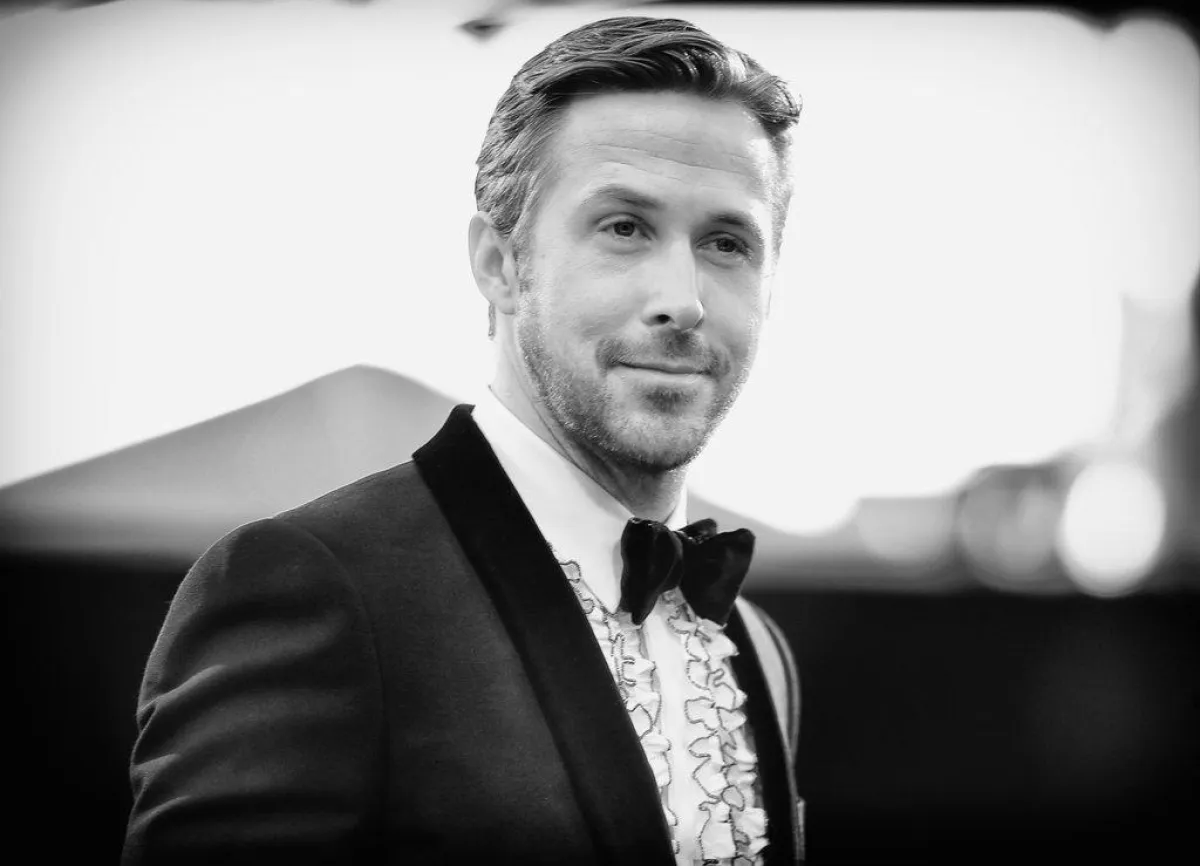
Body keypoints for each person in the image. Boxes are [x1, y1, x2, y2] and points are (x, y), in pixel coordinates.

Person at [122, 15, 804, 866]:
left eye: (728, 243)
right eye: (624, 227)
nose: (685, 299)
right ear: (499, 264)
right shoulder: (313, 587)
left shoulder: (759, 649)